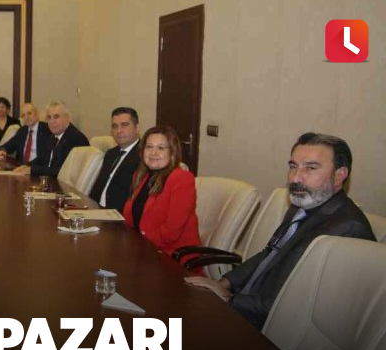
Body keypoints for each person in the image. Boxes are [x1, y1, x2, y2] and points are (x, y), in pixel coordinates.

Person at [186, 132, 376, 330]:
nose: (296, 178)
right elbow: (269, 253)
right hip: (245, 303)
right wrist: (223, 283)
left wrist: (229, 300)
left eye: (310, 168)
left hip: (272, 329)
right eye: (293, 166)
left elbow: (298, 307)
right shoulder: (303, 205)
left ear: (339, 175)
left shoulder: (348, 230)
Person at [122, 126, 201, 269]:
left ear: (172, 152)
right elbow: (131, 218)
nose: (153, 152)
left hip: (171, 259)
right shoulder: (141, 176)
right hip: (143, 253)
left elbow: (171, 232)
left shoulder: (181, 179)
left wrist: (138, 247)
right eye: (149, 147)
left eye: (161, 148)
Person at [14, 101, 88, 177]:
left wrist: (32, 169)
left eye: (56, 117)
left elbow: (62, 170)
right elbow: (42, 158)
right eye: (49, 118)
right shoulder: (53, 137)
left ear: (67, 118)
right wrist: (26, 166)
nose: (52, 121)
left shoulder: (76, 138)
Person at [90, 107, 142, 210]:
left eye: (124, 125)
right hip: (96, 209)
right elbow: (98, 187)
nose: (119, 131)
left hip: (118, 215)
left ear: (137, 128)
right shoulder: (111, 153)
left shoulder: (143, 157)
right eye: (115, 126)